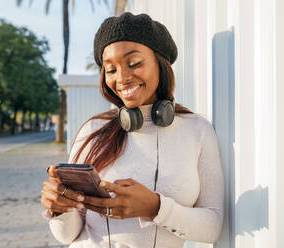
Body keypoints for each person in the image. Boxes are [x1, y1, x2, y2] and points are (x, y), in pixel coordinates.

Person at [41, 12, 224, 248]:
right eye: (111, 69)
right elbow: (67, 235)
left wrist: (155, 207)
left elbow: (213, 226)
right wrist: (59, 208)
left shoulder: (198, 130)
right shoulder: (93, 130)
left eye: (134, 63)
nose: (122, 78)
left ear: (160, 63)